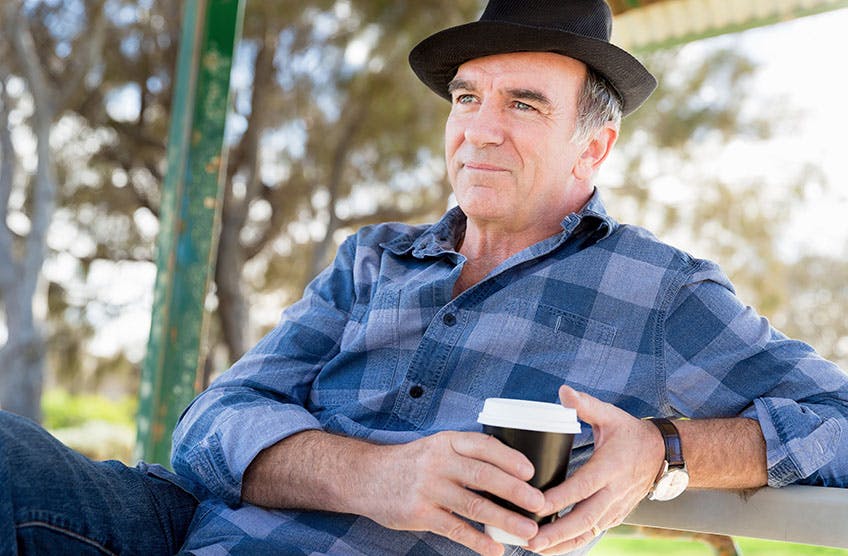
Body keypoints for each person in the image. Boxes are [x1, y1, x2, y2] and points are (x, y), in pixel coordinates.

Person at [1, 1, 846, 555]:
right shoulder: (371, 258)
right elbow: (207, 428)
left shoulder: (658, 292)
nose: (479, 129)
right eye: (467, 97)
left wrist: (665, 452)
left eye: (523, 104)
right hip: (173, 529)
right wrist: (378, 476)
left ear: (594, 147)